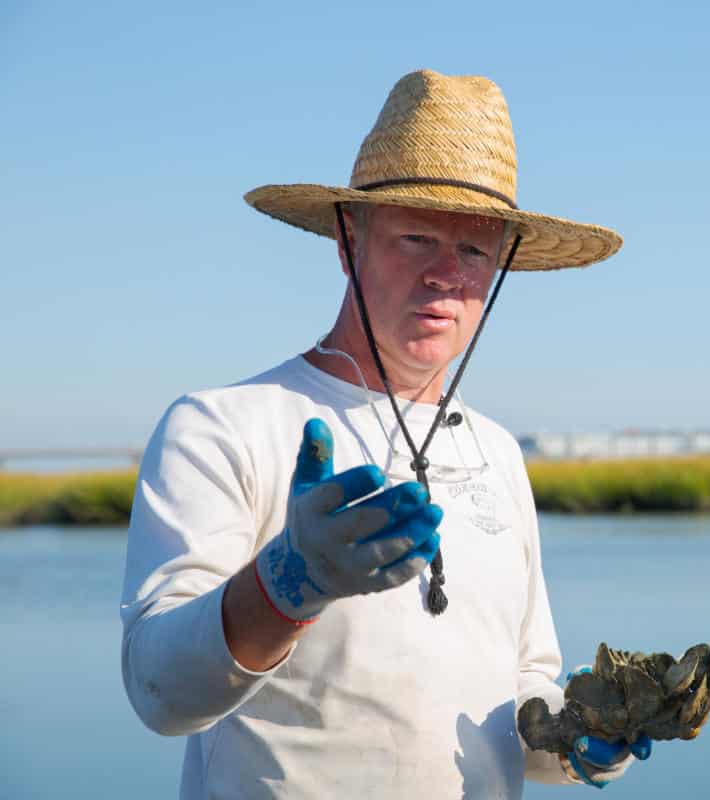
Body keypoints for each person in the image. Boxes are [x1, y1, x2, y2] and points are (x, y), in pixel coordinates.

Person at [120, 69, 649, 799]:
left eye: (473, 251)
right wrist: (287, 584)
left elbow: (521, 687)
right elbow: (160, 694)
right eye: (417, 237)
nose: (445, 276)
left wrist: (580, 732)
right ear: (348, 241)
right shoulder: (222, 427)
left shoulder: (494, 450)